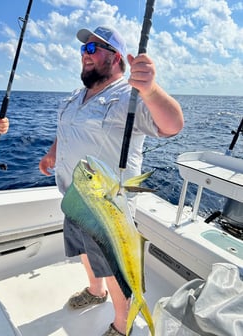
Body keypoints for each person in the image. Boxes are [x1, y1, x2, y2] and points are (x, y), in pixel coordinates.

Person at [39, 26, 184, 336]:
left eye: (93, 49)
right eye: (83, 50)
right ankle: (95, 291)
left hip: (108, 209)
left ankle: (122, 324)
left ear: (117, 57)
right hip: (75, 198)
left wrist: (152, 88)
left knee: (114, 267)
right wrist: (52, 153)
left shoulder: (128, 96)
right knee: (83, 250)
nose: (85, 55)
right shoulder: (77, 96)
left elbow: (172, 125)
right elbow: (67, 131)